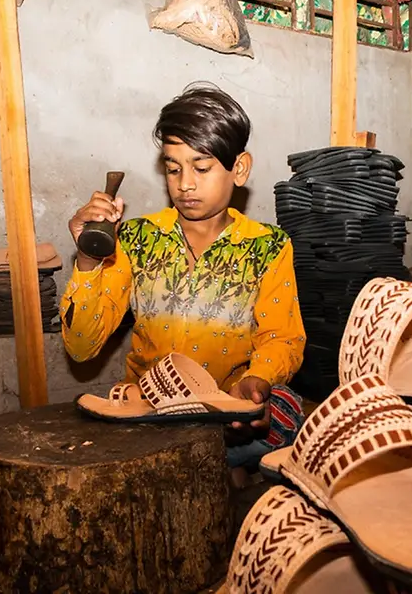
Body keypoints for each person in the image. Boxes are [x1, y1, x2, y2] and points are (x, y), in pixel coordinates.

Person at [60, 83, 306, 486]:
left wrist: (257, 378)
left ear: (239, 169)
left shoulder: (268, 246)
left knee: (286, 415)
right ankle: (219, 471)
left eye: (201, 167)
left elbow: (283, 337)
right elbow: (82, 349)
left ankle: (224, 467)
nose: (185, 184)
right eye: (173, 168)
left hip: (223, 413)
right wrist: (88, 261)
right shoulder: (137, 240)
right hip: (150, 411)